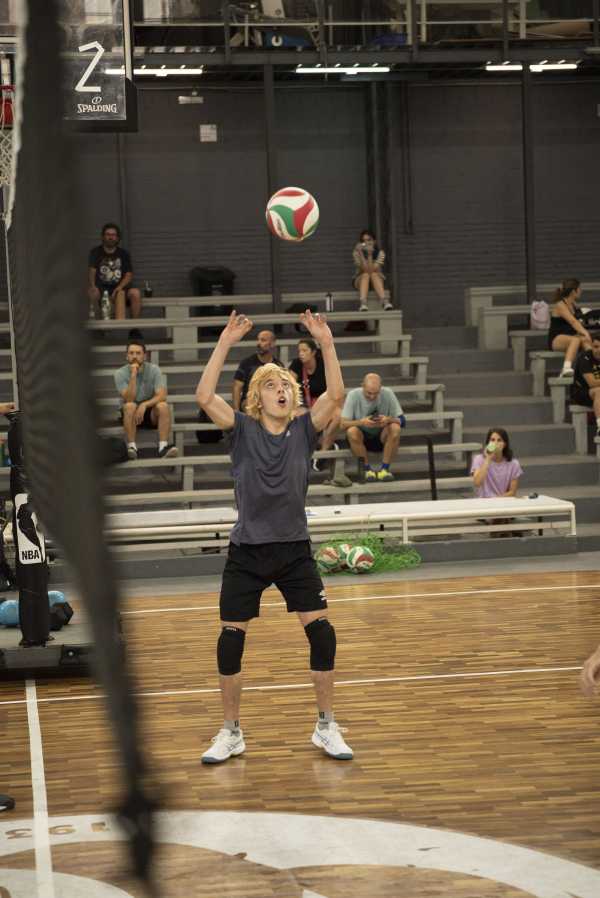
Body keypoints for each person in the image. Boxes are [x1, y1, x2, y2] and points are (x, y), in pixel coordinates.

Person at [196, 309, 352, 763]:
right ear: (256, 399)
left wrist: (326, 343)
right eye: (270, 385)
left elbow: (336, 395)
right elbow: (204, 395)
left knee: (322, 635)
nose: (281, 389)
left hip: (293, 550)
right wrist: (224, 342)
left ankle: (326, 727)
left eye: (285, 383)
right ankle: (231, 732)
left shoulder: (304, 430)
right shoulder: (242, 430)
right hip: (247, 551)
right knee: (230, 639)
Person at [114, 340, 178, 459]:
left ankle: (163, 448)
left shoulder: (154, 370)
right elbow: (129, 399)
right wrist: (133, 375)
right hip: (130, 415)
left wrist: (144, 405)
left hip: (149, 413)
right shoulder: (119, 373)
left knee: (163, 406)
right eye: (131, 353)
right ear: (126, 356)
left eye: (138, 353)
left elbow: (162, 395)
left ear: (145, 356)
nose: (134, 356)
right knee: (130, 406)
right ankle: (132, 447)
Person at [289, 338, 341, 472]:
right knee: (296, 415)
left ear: (313, 352)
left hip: (323, 403)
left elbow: (335, 388)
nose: (301, 354)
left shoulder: (323, 364)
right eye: (299, 351)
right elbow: (289, 386)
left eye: (304, 350)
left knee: (338, 415)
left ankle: (323, 452)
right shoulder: (296, 364)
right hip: (303, 404)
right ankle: (303, 452)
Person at [341, 373, 403, 482]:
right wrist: (361, 422)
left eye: (376, 393)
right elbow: (343, 424)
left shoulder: (388, 393)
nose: (372, 397)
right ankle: (367, 470)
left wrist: (389, 420)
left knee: (395, 427)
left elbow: (402, 420)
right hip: (361, 437)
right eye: (369, 393)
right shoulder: (353, 395)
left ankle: (384, 470)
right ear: (363, 386)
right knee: (351, 431)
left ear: (380, 388)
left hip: (381, 436)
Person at [88, 223, 142, 321]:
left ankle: (135, 327)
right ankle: (98, 327)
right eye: (108, 234)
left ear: (117, 238)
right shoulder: (95, 252)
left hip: (119, 289)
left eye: (113, 235)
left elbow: (129, 275)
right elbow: (92, 271)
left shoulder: (124, 254)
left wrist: (119, 288)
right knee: (92, 293)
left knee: (135, 293)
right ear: (103, 237)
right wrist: (93, 286)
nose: (110, 237)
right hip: (101, 289)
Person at [548, 278, 592, 378]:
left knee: (585, 341)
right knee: (576, 339)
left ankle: (592, 366)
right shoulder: (560, 304)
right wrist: (586, 333)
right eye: (579, 289)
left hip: (570, 336)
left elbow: (577, 321)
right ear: (573, 291)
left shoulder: (573, 304)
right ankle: (565, 368)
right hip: (556, 339)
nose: (581, 291)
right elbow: (572, 322)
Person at [232, 329, 283, 412]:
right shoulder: (246, 363)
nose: (259, 343)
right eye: (258, 340)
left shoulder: (278, 366)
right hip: (250, 400)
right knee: (251, 404)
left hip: (271, 400)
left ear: (272, 344)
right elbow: (237, 387)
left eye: (263, 340)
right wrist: (236, 411)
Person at [471, 428, 523, 498]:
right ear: (488, 443)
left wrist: (496, 500)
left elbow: (512, 492)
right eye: (492, 440)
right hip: (483, 501)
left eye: (499, 440)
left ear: (504, 444)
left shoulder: (514, 464)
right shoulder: (478, 459)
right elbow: (477, 483)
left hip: (502, 500)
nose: (495, 443)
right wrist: (488, 458)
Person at [352, 230, 393, 312]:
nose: (366, 243)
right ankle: (363, 303)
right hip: (361, 279)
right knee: (366, 275)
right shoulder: (356, 253)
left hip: (376, 279)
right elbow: (365, 270)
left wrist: (370, 255)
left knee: (373, 274)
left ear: (374, 241)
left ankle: (384, 302)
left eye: (369, 240)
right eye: (363, 241)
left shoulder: (380, 253)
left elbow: (371, 271)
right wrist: (361, 253)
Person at [570, 332, 600, 438]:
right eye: (596, 347)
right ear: (591, 346)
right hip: (581, 392)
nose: (598, 350)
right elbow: (592, 383)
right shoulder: (585, 357)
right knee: (598, 391)